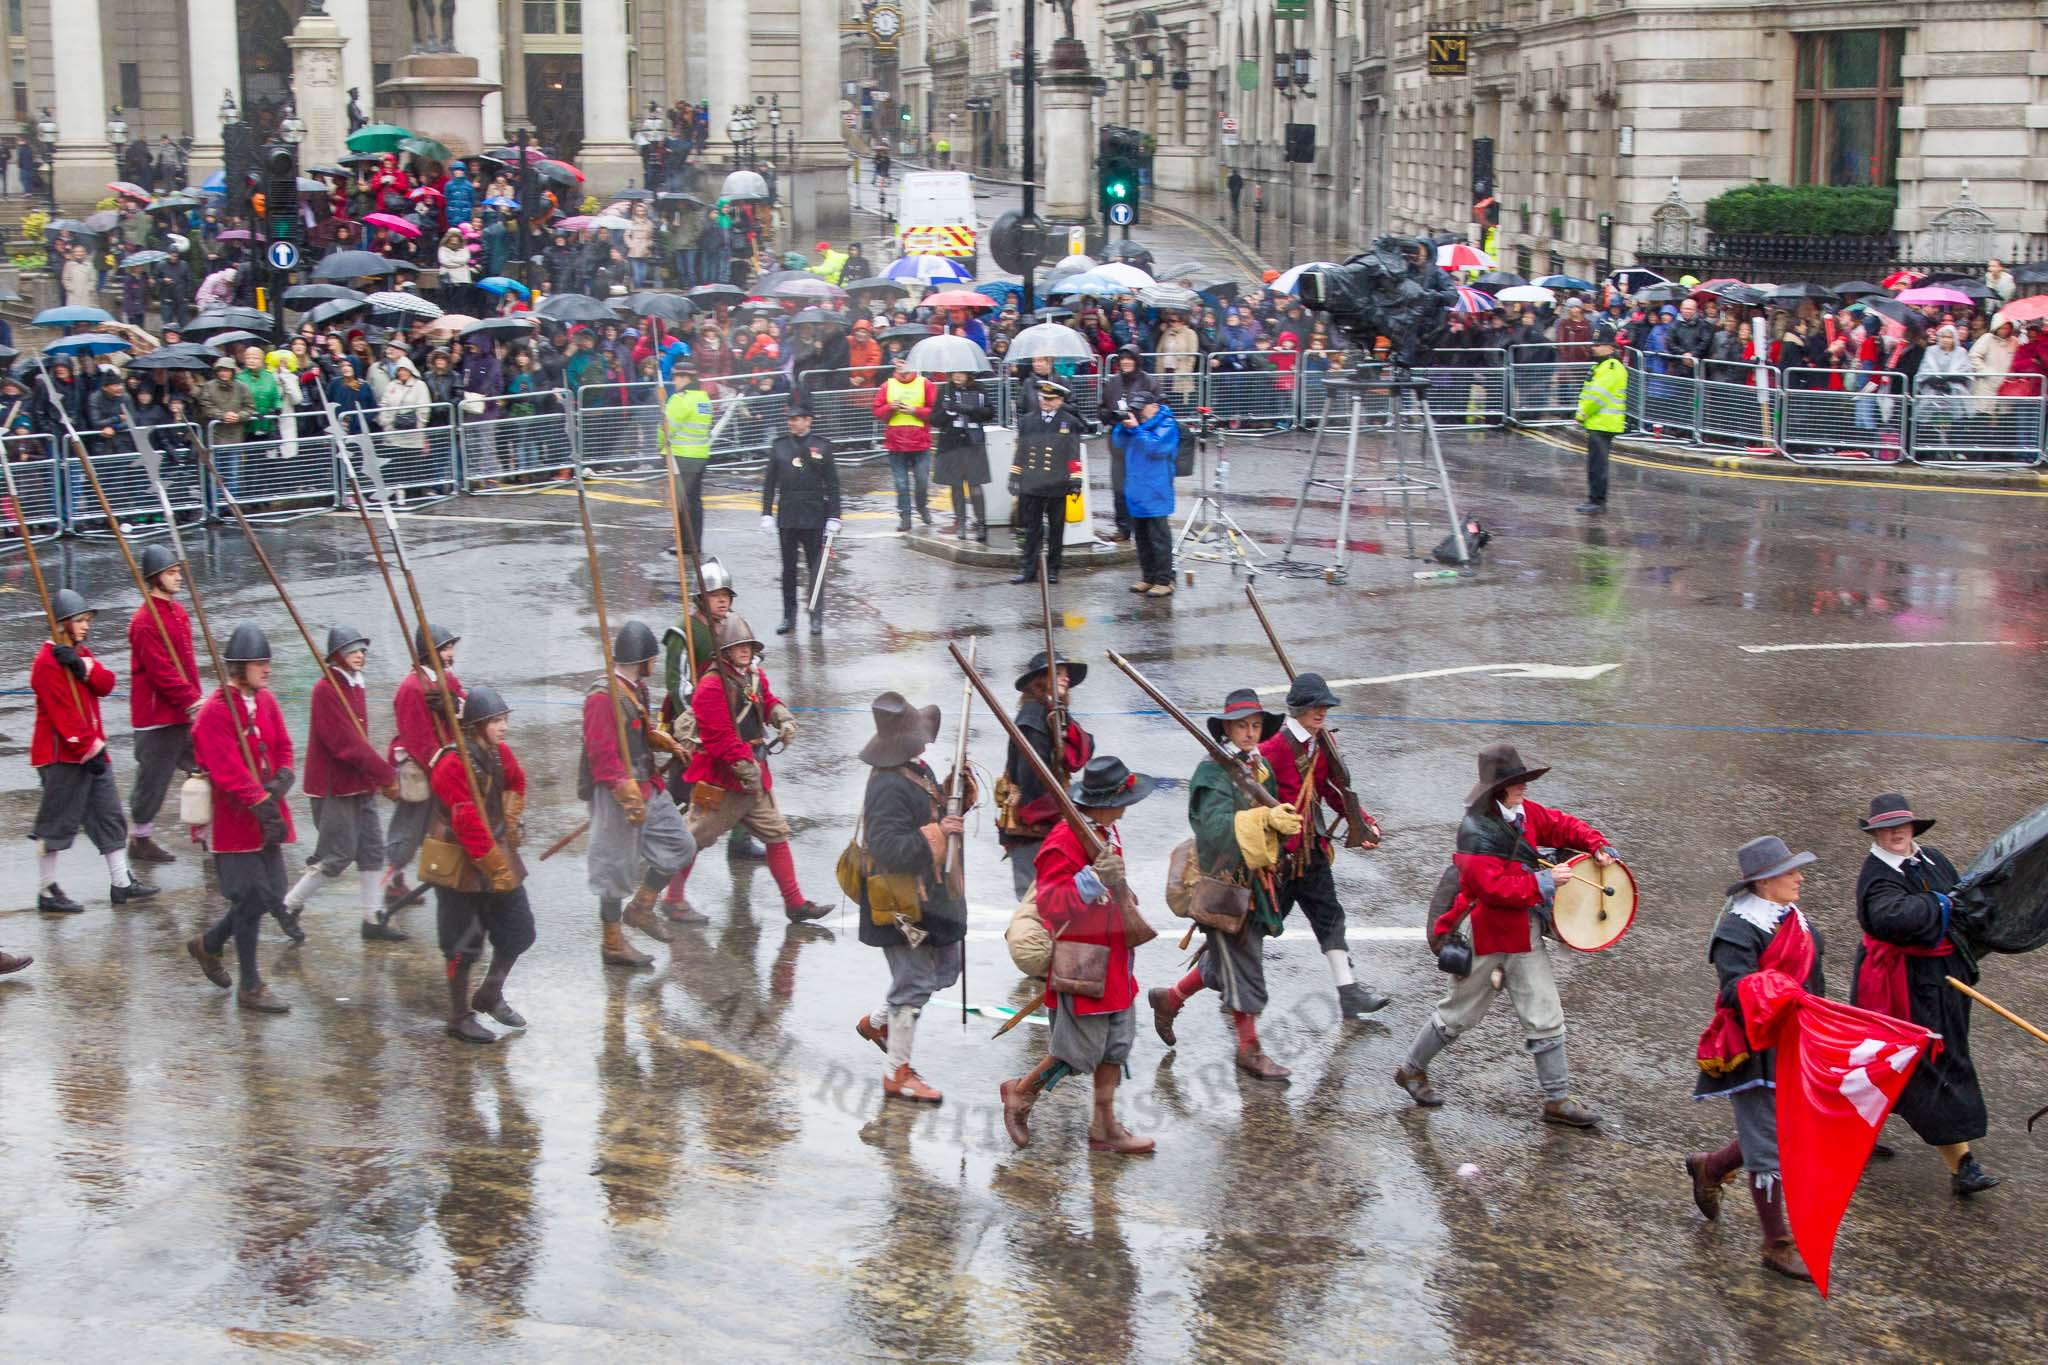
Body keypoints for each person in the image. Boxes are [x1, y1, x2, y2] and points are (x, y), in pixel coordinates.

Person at [1398, 742, 1614, 1124]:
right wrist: (1546, 881)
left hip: (1523, 931)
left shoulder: (1524, 814)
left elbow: (1562, 825)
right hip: (1487, 935)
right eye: (1518, 783)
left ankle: (1557, 1098)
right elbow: (1493, 889)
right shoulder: (1475, 832)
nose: (1524, 789)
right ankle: (1412, 1069)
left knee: (1545, 1011)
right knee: (1458, 1015)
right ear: (1500, 789)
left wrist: (1596, 844)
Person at [997, 755, 1157, 1155]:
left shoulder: (1104, 831)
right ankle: (1020, 1093)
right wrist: (1091, 880)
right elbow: (1051, 905)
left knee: (1116, 1046)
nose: (1127, 806)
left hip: (1115, 956)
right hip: (1084, 960)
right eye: (1123, 799)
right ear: (1104, 801)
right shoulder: (1063, 841)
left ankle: (1104, 1127)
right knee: (1074, 1053)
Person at [1686, 836, 1828, 1281]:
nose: (1799, 877)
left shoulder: (1798, 921)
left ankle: (1711, 1167)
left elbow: (1814, 983)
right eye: (1791, 872)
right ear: (1765, 882)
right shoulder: (1736, 930)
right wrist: (1775, 992)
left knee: (1778, 1133)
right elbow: (1733, 990)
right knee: (1769, 1146)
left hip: (1794, 1041)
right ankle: (1776, 1244)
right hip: (1752, 1047)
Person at [1848, 794, 2001, 1196]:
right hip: (1902, 984)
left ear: (1913, 827)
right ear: (1875, 832)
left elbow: (1966, 902)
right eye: (1887, 827)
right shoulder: (1876, 876)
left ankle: (1853, 1136)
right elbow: (1891, 918)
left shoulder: (1932, 858)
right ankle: (1963, 1166)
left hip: (1945, 978)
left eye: (1903, 825)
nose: (1897, 832)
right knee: (1934, 1065)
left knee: (1886, 1067)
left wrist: (1956, 908)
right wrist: (1942, 904)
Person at [1147, 690, 1303, 1080]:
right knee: (1244, 966)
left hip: (1254, 881)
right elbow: (1213, 831)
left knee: (1225, 964)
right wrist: (1265, 822)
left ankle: (1171, 998)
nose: (1250, 733)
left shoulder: (1258, 766)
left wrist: (1278, 821)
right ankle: (1249, 1050)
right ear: (1227, 730)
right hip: (1222, 885)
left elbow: (1273, 814)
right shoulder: (1212, 773)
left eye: (1255, 726)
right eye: (1242, 727)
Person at [668, 616, 832, 924]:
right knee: (692, 840)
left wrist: (781, 717)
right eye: (737, 646)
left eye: (747, 645)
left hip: (753, 779)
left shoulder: (753, 676)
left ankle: (795, 903)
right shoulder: (711, 686)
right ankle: (671, 899)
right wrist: (746, 766)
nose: (744, 651)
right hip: (722, 781)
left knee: (776, 834)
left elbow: (766, 702)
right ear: (726, 650)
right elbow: (720, 740)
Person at [851, 692, 971, 1102]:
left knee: (941, 972)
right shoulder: (887, 785)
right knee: (915, 981)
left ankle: (880, 1022)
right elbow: (889, 849)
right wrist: (940, 833)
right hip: (901, 905)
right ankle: (896, 1073)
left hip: (929, 898)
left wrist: (954, 800)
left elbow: (929, 817)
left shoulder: (913, 771)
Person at [1255, 673, 1388, 1020]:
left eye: (1325, 705)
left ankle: (1349, 993)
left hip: (1312, 851)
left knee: (1331, 919)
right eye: (1316, 705)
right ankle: (1186, 990)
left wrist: (1364, 821)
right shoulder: (1272, 749)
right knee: (1256, 928)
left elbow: (1332, 789)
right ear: (1298, 709)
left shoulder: (1321, 743)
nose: (1322, 711)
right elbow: (1252, 801)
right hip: (1280, 858)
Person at [184, 625, 295, 1014]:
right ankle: (250, 986)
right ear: (239, 667)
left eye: (267, 662)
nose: (266, 669)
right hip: (235, 820)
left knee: (272, 892)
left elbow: (282, 744)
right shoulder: (216, 711)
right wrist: (260, 801)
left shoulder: (265, 701)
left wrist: (282, 775)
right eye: (259, 663)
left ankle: (210, 943)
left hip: (266, 811)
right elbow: (227, 769)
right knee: (250, 896)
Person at [582, 619, 700, 966]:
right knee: (613, 870)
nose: (655, 663)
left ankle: (643, 907)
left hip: (647, 783)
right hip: (616, 790)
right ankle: (612, 943)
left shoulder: (636, 689)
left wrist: (660, 739)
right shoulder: (602, 697)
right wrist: (627, 795)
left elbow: (636, 729)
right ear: (641, 659)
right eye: (652, 657)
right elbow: (601, 755)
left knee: (681, 846)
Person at [30, 588, 156, 912]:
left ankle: (121, 882)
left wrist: (82, 666)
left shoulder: (78, 653)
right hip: (62, 756)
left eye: (87, 620)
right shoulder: (46, 663)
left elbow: (107, 684)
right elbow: (63, 715)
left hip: (92, 751)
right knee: (56, 825)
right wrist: (89, 749)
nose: (86, 626)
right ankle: (46, 890)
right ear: (61, 624)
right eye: (80, 620)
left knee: (109, 814)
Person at [278, 625, 403, 944]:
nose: (359, 655)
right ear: (336, 656)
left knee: (373, 849)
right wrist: (385, 774)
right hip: (334, 787)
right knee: (337, 855)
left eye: (361, 649)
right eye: (352, 650)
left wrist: (376, 776)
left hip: (360, 783)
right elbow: (345, 744)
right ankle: (288, 905)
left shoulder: (354, 685)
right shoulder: (326, 689)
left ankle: (371, 918)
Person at [427, 683, 535, 1043]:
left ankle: (490, 993)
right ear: (476, 725)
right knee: (462, 945)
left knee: (519, 930)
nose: (503, 726)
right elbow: (466, 821)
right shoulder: (451, 764)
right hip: (461, 863)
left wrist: (510, 824)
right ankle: (459, 1017)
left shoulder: (500, 754)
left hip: (495, 851)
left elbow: (517, 784)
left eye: (504, 719)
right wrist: (497, 867)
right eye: (495, 720)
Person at [382, 623, 465, 926]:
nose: (450, 653)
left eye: (450, 647)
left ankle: (439, 873)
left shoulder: (447, 680)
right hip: (420, 767)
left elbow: (465, 710)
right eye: (444, 648)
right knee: (409, 828)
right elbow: (416, 738)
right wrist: (443, 764)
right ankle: (391, 882)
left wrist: (453, 705)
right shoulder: (411, 687)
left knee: (439, 827)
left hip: (442, 765)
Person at [124, 544, 201, 867]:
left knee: (206, 768)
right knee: (153, 782)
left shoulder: (178, 612)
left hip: (184, 711)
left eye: (177, 571)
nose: (178, 577)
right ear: (155, 578)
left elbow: (187, 662)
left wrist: (196, 697)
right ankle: (140, 838)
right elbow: (161, 672)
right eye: (171, 573)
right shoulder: (143, 622)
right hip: (158, 718)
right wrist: (191, 699)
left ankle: (208, 833)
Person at [996, 651, 1095, 899]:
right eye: (1058, 673)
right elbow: (1032, 778)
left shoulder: (1053, 713)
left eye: (1065, 674)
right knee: (1036, 899)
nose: (1066, 679)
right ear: (1040, 680)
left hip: (1050, 820)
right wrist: (1064, 813)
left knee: (1055, 896)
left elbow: (1083, 748)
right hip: (1034, 826)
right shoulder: (1033, 717)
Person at [761, 398, 841, 636]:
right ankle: (789, 615)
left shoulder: (822, 446)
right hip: (788, 513)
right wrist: (766, 513)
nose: (792, 423)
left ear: (808, 420)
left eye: (796, 419)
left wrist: (834, 517)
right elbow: (769, 483)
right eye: (790, 419)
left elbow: (833, 485)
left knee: (815, 569)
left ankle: (815, 615)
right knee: (788, 569)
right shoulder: (780, 446)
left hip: (815, 513)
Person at [1008, 379, 1086, 585]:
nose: (1045, 402)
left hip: (1056, 483)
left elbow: (1073, 454)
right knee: (1031, 529)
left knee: (1056, 528)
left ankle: (1053, 569)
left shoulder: (1068, 422)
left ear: (1060, 400)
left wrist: (1075, 480)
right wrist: (1014, 475)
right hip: (1032, 482)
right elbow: (1021, 451)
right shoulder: (1028, 420)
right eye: (1043, 398)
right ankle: (1028, 569)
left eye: (1051, 399)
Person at [1109, 393, 1180, 597]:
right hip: (1137, 490)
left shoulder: (1167, 425)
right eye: (1135, 408)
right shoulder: (1136, 426)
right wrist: (1123, 424)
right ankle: (1148, 577)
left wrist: (1136, 429)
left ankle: (1164, 580)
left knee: (1159, 537)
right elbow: (1118, 442)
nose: (1138, 412)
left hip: (1157, 490)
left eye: (1142, 408)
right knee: (1142, 538)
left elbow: (1155, 448)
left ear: (1154, 406)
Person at [1097, 346, 1161, 541]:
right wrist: (1108, 415)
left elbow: (1159, 407)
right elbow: (1102, 407)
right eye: (1122, 359)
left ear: (1136, 361)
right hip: (1119, 443)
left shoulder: (1148, 381)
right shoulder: (1113, 383)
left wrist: (1140, 421)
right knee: (1119, 487)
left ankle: (1143, 528)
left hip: (1140, 441)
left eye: (1129, 359)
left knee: (1141, 486)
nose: (1125, 362)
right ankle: (1123, 528)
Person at [871, 353, 936, 531]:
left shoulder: (925, 384)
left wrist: (916, 411)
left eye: (905, 364)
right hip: (896, 444)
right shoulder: (887, 385)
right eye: (899, 364)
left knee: (922, 481)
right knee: (901, 484)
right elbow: (877, 412)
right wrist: (889, 408)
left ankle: (922, 507)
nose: (902, 368)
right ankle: (905, 516)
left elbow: (935, 412)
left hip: (920, 443)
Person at [932, 369, 993, 541]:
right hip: (952, 444)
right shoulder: (944, 390)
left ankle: (981, 523)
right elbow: (934, 420)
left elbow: (989, 413)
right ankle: (960, 523)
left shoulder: (979, 388)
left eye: (961, 373)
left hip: (973, 443)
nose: (957, 377)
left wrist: (969, 409)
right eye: (954, 373)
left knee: (975, 485)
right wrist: (947, 412)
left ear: (968, 374)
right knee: (956, 485)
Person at [662, 360, 714, 555]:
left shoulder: (680, 399)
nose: (674, 381)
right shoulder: (703, 399)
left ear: (686, 378)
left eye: (676, 377)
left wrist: (660, 443)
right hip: (700, 455)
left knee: (682, 504)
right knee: (694, 503)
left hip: (681, 457)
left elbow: (667, 429)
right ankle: (694, 543)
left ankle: (685, 543)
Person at [1575, 320, 1625, 514]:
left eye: (1597, 345)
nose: (1593, 348)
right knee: (1595, 464)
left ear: (1609, 346)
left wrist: (1582, 413)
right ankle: (1594, 499)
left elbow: (1598, 396)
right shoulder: (1604, 365)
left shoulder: (1611, 367)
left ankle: (1597, 501)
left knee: (1598, 466)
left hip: (1603, 423)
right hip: (1598, 423)